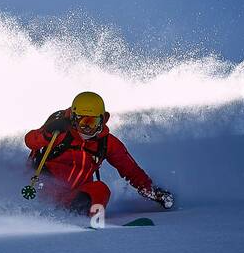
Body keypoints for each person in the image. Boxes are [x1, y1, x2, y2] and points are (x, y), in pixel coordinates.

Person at [24, 91, 174, 214]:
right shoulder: (59, 132)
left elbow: (130, 169)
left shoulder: (107, 143)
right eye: (83, 123)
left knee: (101, 189)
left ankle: (84, 221)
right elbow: (30, 141)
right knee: (45, 188)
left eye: (92, 123)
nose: (87, 129)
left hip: (73, 197)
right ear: (74, 119)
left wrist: (152, 192)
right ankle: (39, 214)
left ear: (102, 120)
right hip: (43, 190)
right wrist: (46, 133)